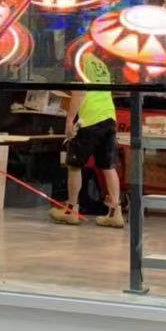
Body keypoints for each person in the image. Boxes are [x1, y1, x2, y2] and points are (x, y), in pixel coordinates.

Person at [51, 85, 125, 228]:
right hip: (109, 118)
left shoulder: (80, 70)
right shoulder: (103, 71)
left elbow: (79, 93)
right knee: (108, 166)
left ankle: (71, 211)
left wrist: (69, 120)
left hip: (89, 120)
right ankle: (115, 213)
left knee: (74, 165)